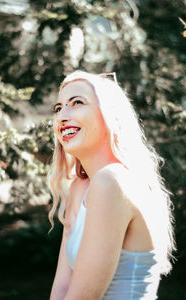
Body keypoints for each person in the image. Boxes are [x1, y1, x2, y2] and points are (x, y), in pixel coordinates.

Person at [48, 70, 175, 300]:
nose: (62, 116)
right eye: (58, 108)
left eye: (77, 103)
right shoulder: (81, 187)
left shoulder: (113, 182)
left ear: (110, 115)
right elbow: (62, 288)